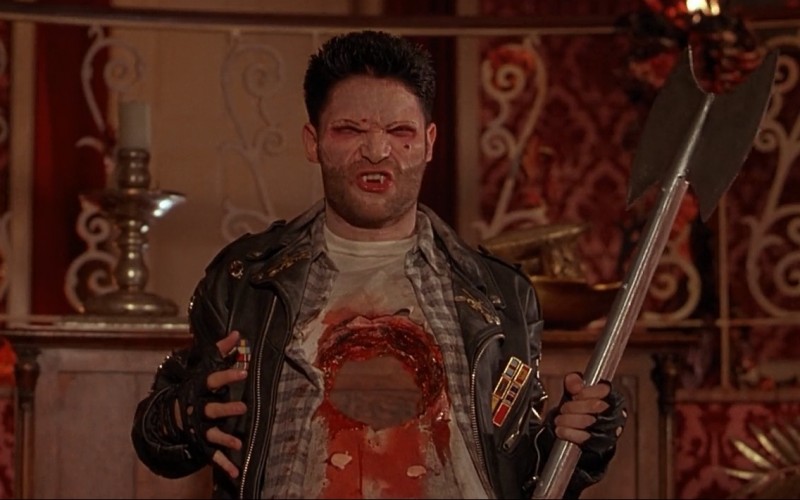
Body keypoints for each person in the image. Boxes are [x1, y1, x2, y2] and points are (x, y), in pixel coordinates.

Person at [131, 29, 627, 499]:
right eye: (349, 130)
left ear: (429, 142)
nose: (376, 151)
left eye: (399, 131)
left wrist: (580, 439)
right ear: (313, 141)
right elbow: (157, 437)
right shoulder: (247, 282)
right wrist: (183, 415)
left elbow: (524, 469)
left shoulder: (498, 295)